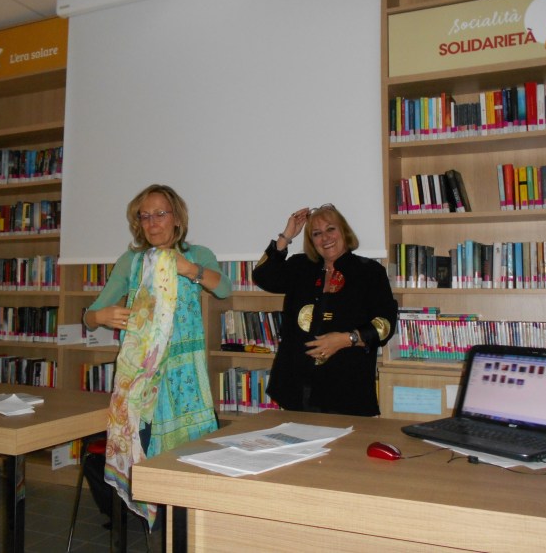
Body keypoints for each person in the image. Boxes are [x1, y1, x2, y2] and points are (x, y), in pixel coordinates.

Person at [82, 184, 231, 542]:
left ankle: (186, 532)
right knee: (147, 461)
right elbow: (89, 315)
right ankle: (157, 527)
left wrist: (188, 268)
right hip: (142, 384)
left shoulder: (197, 255)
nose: (152, 223)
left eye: (160, 214)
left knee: (188, 464)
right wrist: (101, 316)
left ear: (177, 218)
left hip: (184, 382)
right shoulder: (131, 261)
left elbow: (224, 288)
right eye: (144, 216)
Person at [252, 204, 398, 416]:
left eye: (331, 229)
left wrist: (346, 339)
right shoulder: (300, 266)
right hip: (294, 386)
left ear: (344, 231)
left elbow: (385, 324)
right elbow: (263, 277)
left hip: (346, 389)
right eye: (316, 233)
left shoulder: (370, 272)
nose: (325, 238)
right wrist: (287, 235)